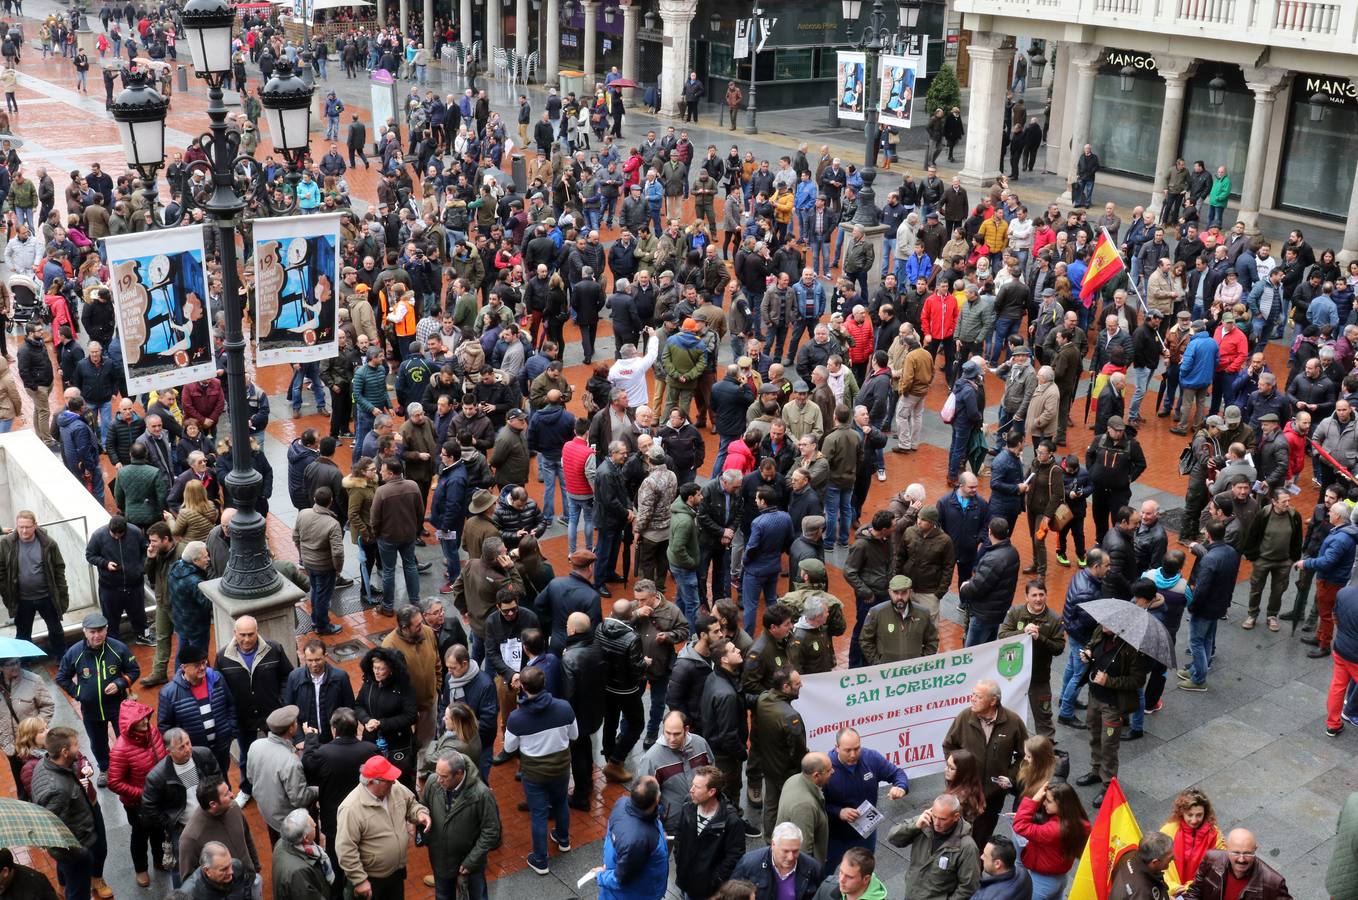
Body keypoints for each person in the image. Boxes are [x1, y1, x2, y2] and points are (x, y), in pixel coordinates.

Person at [505, 663, 579, 875]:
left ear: (523, 688)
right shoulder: (564, 707)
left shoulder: (517, 718)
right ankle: (563, 839)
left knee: (538, 814)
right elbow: (574, 735)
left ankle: (540, 859)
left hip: (534, 773)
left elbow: (509, 747)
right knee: (561, 802)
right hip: (561, 767)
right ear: (544, 683)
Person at [216, 614, 293, 807]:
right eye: (242, 635)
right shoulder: (223, 657)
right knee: (246, 755)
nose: (247, 639)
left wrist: (281, 701)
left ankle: (284, 786)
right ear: (235, 633)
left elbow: (287, 677)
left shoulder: (274, 649)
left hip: (271, 714)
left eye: (250, 634)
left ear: (257, 632)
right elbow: (220, 689)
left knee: (280, 752)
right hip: (243, 716)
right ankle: (246, 789)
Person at [301, 708, 377, 900]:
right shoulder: (369, 750)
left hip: (335, 821)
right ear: (356, 727)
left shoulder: (324, 753)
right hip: (365, 818)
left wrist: (310, 739)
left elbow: (308, 764)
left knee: (335, 865)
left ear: (334, 729)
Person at [942, 679, 1028, 848]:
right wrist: (957, 771)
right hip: (963, 792)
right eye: (972, 694)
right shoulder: (964, 717)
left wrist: (1010, 776)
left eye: (978, 696)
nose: (972, 699)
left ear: (993, 701)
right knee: (954, 836)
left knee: (981, 838)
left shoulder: (1013, 722)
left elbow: (1025, 755)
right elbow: (949, 746)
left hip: (992, 795)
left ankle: (976, 869)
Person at [335, 754, 432, 900]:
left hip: (396, 872)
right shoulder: (350, 808)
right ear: (373, 782)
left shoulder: (394, 788)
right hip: (372, 880)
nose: (393, 782)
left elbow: (411, 804)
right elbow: (345, 849)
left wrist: (419, 814)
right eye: (388, 780)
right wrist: (360, 880)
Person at [55, 612, 138, 783]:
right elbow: (61, 677)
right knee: (98, 743)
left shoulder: (118, 648)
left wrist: (120, 683)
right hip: (91, 710)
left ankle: (129, 766)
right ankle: (105, 769)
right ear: (84, 632)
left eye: (100, 631)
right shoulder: (74, 652)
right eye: (92, 632)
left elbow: (134, 671)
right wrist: (78, 693)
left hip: (118, 707)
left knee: (125, 739)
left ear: (106, 631)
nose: (96, 635)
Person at [30, 726, 111, 900]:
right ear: (65, 752)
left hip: (81, 829)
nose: (79, 747)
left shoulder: (48, 763)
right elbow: (54, 833)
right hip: (75, 851)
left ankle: (65, 886)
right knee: (78, 892)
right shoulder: (56, 789)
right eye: (75, 745)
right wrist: (81, 854)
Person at [141, 727, 223, 879]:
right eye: (181, 747)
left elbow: (218, 780)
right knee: (183, 868)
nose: (187, 749)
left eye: (188, 743)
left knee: (218, 858)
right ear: (168, 751)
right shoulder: (157, 777)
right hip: (183, 829)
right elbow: (149, 809)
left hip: (211, 819)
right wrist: (171, 824)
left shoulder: (204, 755)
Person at [823, 727, 908, 873]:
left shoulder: (871, 758)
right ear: (837, 748)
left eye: (857, 749)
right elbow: (816, 804)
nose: (853, 754)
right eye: (847, 750)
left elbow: (897, 773)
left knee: (863, 873)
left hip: (866, 833)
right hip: (835, 836)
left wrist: (900, 786)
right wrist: (839, 812)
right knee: (825, 873)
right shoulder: (826, 766)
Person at [420, 750, 500, 900]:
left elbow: (491, 831)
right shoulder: (432, 782)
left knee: (478, 896)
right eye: (437, 774)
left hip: (470, 863)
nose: (438, 780)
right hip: (441, 859)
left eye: (444, 777)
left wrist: (472, 861)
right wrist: (424, 834)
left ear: (459, 774)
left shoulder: (481, 794)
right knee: (443, 896)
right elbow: (422, 807)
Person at [157, 645, 237, 780]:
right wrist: (182, 748)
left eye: (203, 662)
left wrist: (231, 731)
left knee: (222, 778)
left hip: (221, 747)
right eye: (196, 665)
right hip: (194, 754)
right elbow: (165, 726)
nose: (202, 668)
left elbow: (231, 706)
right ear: (183, 667)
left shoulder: (217, 679)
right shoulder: (169, 693)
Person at [998, 581, 1066, 739]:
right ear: (1026, 597)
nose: (1038, 599)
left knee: (1044, 717)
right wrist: (1023, 632)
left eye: (1041, 594)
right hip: (1014, 673)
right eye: (1034, 595)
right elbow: (1002, 636)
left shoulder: (1054, 619)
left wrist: (1040, 638)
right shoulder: (1016, 612)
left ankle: (1045, 750)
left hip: (1039, 677)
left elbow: (1059, 648)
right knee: (1008, 712)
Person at [0, 509, 71, 659]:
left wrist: (62, 595)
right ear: (16, 526)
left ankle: (61, 658)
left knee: (56, 630)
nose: (24, 531)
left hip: (47, 596)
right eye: (20, 527)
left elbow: (59, 569)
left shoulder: (48, 543)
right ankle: (24, 663)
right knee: (23, 633)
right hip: (22, 599)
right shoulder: (6, 543)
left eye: (27, 527)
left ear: (35, 526)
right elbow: (1, 570)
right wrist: (7, 593)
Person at [245, 705, 318, 846]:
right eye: (295, 722)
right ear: (291, 729)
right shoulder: (290, 762)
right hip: (289, 822)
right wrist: (317, 790)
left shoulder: (256, 745)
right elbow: (300, 799)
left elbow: (250, 777)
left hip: (268, 814)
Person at [886, 793, 982, 900]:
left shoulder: (967, 846)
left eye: (942, 819)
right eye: (934, 816)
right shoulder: (923, 823)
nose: (936, 823)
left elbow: (969, 887)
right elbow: (893, 838)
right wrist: (914, 825)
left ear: (956, 817)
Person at [588, 775, 670, 900]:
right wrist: (600, 875)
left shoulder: (622, 803)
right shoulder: (638, 840)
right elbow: (620, 879)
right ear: (657, 799)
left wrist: (660, 833)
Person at [674, 766, 747, 899]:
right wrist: (679, 858)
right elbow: (679, 833)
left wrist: (715, 880)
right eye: (692, 785)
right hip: (686, 879)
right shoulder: (688, 803)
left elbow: (734, 856)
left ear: (711, 791)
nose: (691, 790)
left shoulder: (731, 821)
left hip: (708, 890)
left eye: (697, 787)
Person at [355, 646, 418, 788]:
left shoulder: (404, 686)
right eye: (374, 667)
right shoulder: (370, 683)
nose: (376, 672)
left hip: (397, 744)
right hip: (372, 740)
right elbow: (358, 705)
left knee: (401, 781)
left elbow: (411, 716)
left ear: (391, 669)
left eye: (381, 669)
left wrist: (382, 723)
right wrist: (366, 720)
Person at [1013, 782, 1089, 899]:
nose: (1043, 803)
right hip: (1060, 878)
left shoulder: (1053, 830)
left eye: (1048, 801)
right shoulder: (1079, 823)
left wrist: (1034, 800)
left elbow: (1019, 826)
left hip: (1042, 883)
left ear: (1061, 804)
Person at [283, 638, 356, 744]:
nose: (314, 664)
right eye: (310, 660)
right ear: (305, 658)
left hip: (334, 739)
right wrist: (299, 738)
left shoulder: (340, 677)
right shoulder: (294, 677)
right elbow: (289, 710)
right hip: (306, 740)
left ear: (325, 656)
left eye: (317, 660)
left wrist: (343, 737)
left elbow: (349, 708)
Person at [0, 656, 54, 793]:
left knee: (41, 779)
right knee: (21, 786)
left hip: (34, 743)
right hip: (11, 745)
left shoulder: (33, 680)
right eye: (10, 664)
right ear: (1, 667)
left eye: (18, 662)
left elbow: (47, 706)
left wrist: (36, 730)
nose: (16, 666)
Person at [730, 821, 823, 900]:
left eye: (795, 851)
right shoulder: (748, 864)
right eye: (785, 851)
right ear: (773, 845)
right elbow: (732, 895)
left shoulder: (813, 868)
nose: (790, 857)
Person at [859, 575, 939, 664]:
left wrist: (923, 662)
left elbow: (932, 640)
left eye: (904, 592)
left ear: (910, 592)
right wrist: (877, 663)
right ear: (889, 592)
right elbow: (865, 640)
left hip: (914, 670)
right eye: (895, 593)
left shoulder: (923, 613)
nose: (899, 597)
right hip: (887, 671)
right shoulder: (877, 612)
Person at [1160, 788, 1225, 895]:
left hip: (1198, 892)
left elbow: (1218, 867)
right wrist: (1172, 888)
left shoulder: (1215, 835)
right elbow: (1157, 864)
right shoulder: (1168, 831)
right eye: (1189, 815)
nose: (1194, 820)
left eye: (1199, 815)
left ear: (1205, 813)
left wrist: (1190, 888)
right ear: (1181, 812)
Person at [775, 752, 833, 867]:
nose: (833, 772)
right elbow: (804, 851)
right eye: (828, 770)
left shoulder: (794, 779)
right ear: (816, 776)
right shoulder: (804, 806)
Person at [271, 809, 334, 900]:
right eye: (313, 826)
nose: (316, 825)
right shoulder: (299, 873)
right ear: (306, 838)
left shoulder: (282, 842)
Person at [181, 841, 253, 899]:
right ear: (207, 870)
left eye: (230, 864)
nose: (231, 872)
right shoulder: (190, 893)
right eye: (224, 869)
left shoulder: (237, 867)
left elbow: (246, 894)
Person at [973, 835, 1034, 900]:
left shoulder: (987, 897)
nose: (981, 857)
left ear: (997, 864)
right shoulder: (1024, 874)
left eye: (985, 855)